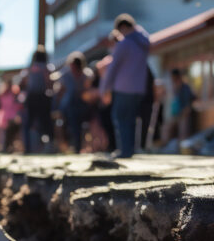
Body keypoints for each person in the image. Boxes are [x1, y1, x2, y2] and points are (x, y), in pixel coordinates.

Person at [99, 14, 151, 158]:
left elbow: (113, 68)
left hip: (123, 87)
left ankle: (124, 150)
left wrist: (104, 88)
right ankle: (131, 149)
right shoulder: (143, 43)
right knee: (132, 119)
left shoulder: (125, 44)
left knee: (120, 117)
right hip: (139, 88)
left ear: (123, 27)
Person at [22, 46, 53, 153]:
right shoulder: (46, 67)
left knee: (28, 123)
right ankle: (48, 146)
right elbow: (49, 82)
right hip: (42, 97)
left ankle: (28, 148)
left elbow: (25, 82)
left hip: (31, 97)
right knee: (45, 122)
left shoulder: (30, 68)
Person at [58, 51, 90, 153]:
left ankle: (77, 147)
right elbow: (61, 90)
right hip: (68, 105)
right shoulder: (66, 74)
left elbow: (87, 89)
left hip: (81, 104)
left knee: (78, 127)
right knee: (68, 126)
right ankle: (71, 146)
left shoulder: (86, 74)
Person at [166, 68, 196, 143]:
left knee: (183, 127)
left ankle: (183, 145)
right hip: (176, 113)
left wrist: (184, 113)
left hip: (184, 113)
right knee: (167, 127)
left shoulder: (185, 88)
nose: (172, 79)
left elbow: (189, 103)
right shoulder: (174, 88)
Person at [0, 74, 22, 152]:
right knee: (5, 135)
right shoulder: (3, 92)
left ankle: (9, 148)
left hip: (11, 116)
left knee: (11, 135)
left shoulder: (14, 91)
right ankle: (5, 148)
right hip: (6, 116)